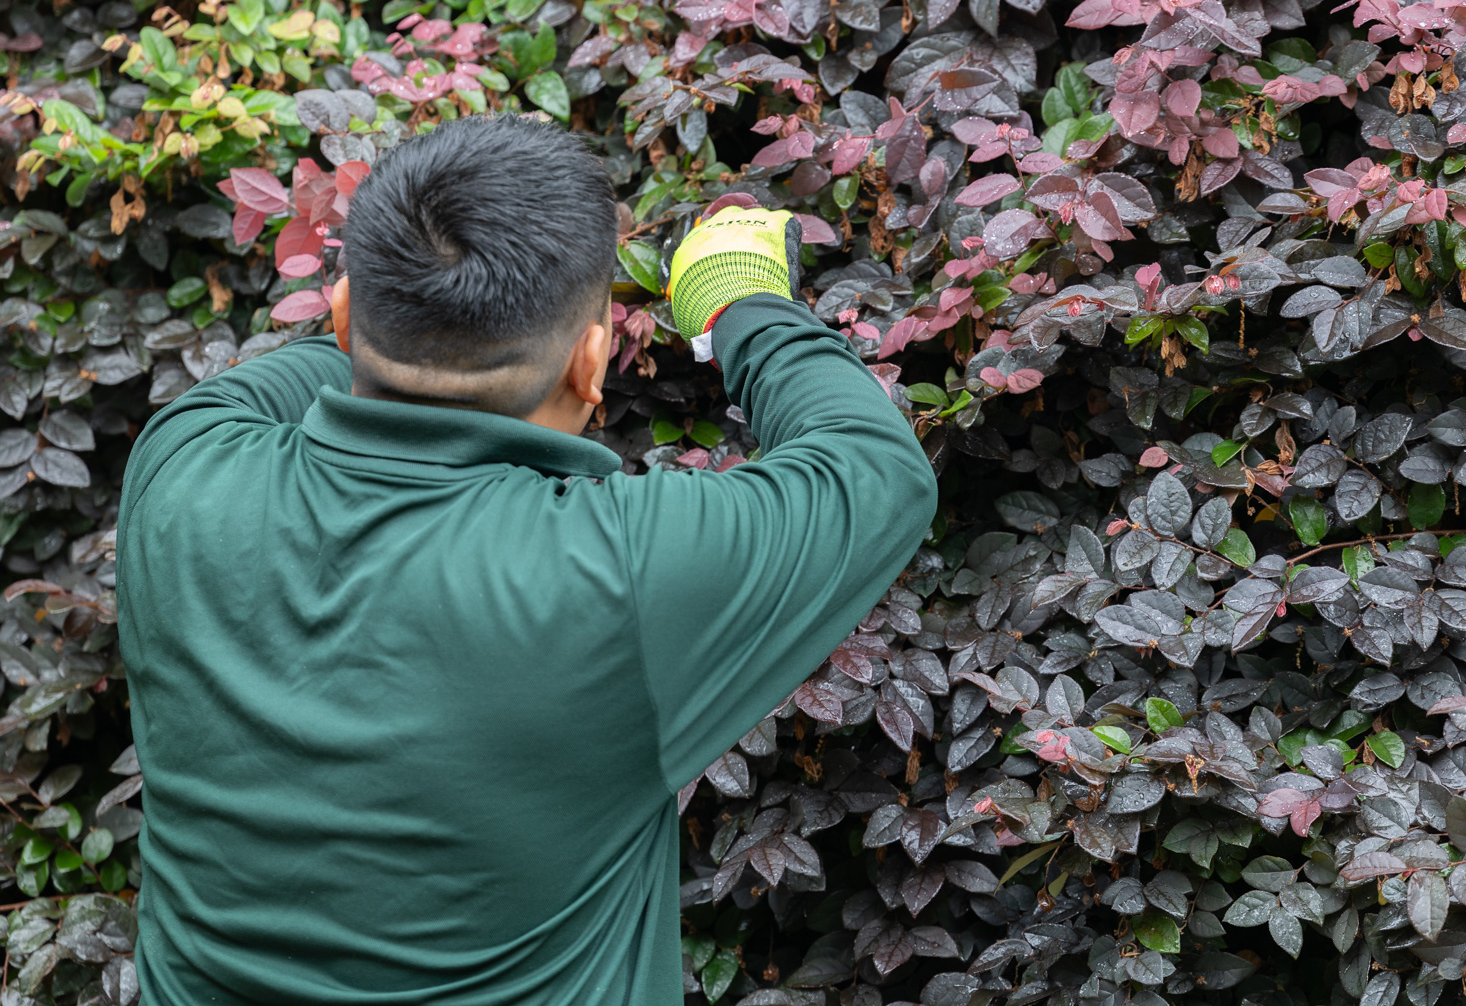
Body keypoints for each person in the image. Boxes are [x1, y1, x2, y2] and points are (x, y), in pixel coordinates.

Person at [116, 114, 938, 1005]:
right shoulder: (624, 572)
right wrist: (739, 297)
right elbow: (874, 466)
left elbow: (320, 368)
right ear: (594, 365)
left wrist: (414, 313)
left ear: (347, 313)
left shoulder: (183, 466)